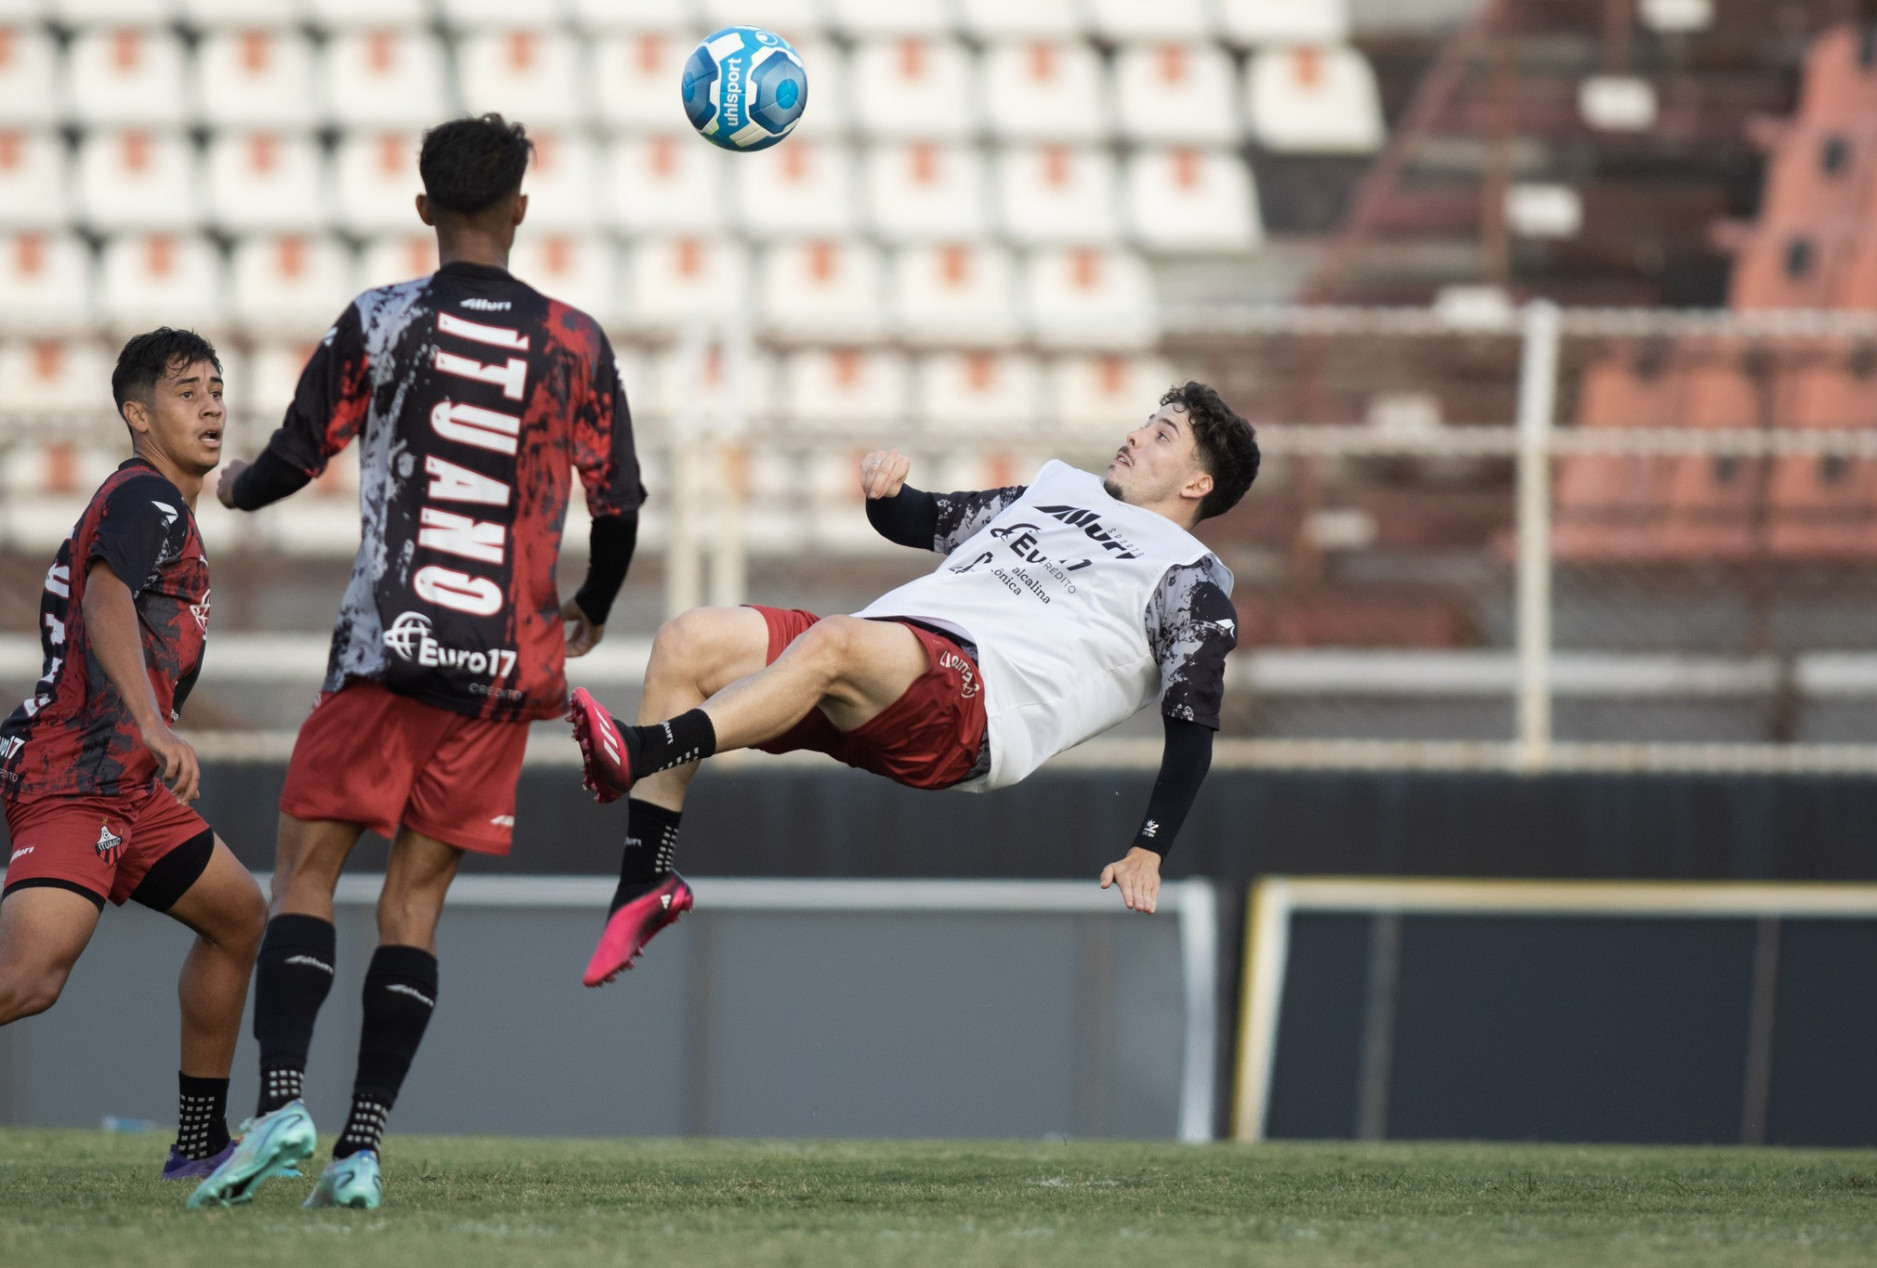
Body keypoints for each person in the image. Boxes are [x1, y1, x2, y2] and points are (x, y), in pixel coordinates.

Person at [188, 114, 644, 1211]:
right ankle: (361, 1150)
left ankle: (286, 1099)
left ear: (424, 206)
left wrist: (233, 486)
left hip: (387, 648)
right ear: (521, 209)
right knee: (414, 907)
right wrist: (590, 602)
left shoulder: (383, 318)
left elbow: (299, 454)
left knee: (304, 873)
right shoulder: (575, 338)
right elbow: (618, 500)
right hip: (500, 668)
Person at [569, 381, 1259, 985]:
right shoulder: (1059, 490)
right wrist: (886, 494)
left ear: (1196, 485)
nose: (1135, 436)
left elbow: (1191, 729)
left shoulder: (1189, 581)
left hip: (974, 710)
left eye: (1162, 434)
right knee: (689, 640)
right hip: (881, 660)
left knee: (835, 641)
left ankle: (641, 750)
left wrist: (1148, 847)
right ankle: (645, 882)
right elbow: (925, 520)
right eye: (1146, 421)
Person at [0, 329, 268, 1181]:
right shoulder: (147, 500)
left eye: (218, 389)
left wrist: (146, 741)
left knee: (237, 918)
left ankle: (198, 1144)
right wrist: (154, 722)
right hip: (76, 774)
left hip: (126, 784)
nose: (214, 405)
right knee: (29, 980)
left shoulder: (157, 507)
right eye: (189, 391)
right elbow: (105, 597)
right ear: (138, 415)